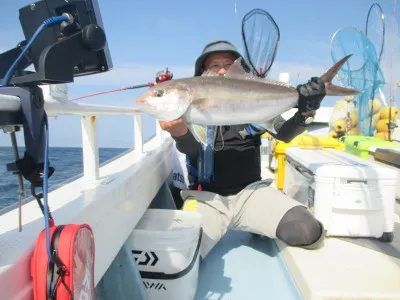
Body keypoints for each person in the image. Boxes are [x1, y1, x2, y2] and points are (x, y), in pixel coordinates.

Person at [160, 40, 326, 259]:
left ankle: (259, 223)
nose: (221, 71)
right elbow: (193, 152)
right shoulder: (190, 111)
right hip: (206, 199)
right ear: (202, 73)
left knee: (307, 231)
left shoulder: (254, 106)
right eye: (214, 65)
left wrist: (306, 112)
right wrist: (179, 132)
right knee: (182, 251)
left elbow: (285, 134)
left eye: (228, 65)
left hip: (251, 194)